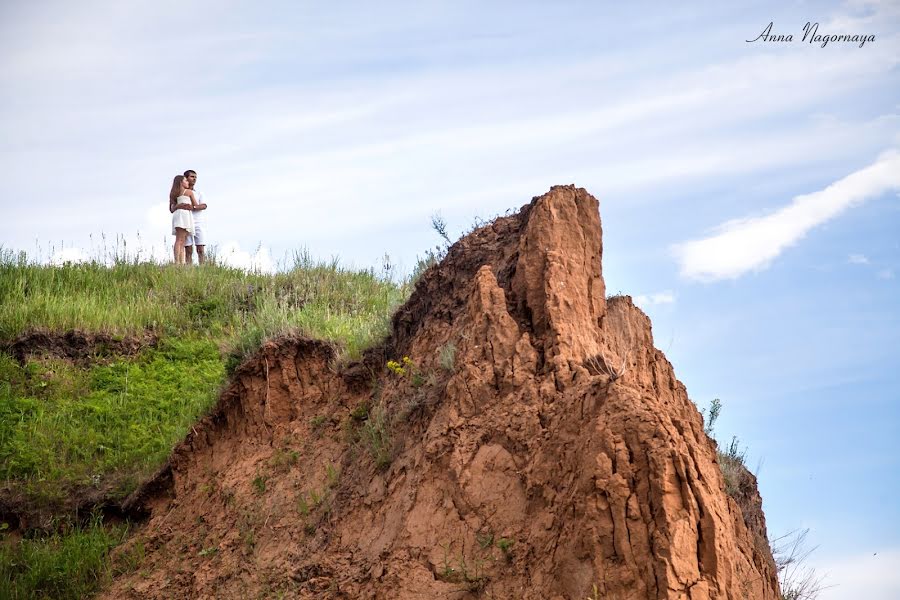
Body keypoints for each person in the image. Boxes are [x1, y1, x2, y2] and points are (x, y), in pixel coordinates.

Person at [169, 175, 198, 264]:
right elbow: (195, 204)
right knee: (181, 240)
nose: (188, 182)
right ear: (181, 182)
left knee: (180, 240)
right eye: (186, 180)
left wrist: (178, 205)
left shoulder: (174, 194)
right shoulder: (189, 192)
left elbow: (171, 209)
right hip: (185, 216)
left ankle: (180, 261)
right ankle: (178, 262)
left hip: (178, 215)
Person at [182, 169, 208, 265]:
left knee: (200, 248)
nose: (194, 179)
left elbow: (204, 205)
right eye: (192, 176)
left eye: (195, 177)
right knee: (188, 249)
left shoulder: (199, 193)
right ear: (186, 178)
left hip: (198, 223)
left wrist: (193, 207)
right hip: (186, 222)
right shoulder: (181, 193)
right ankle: (189, 269)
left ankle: (203, 268)